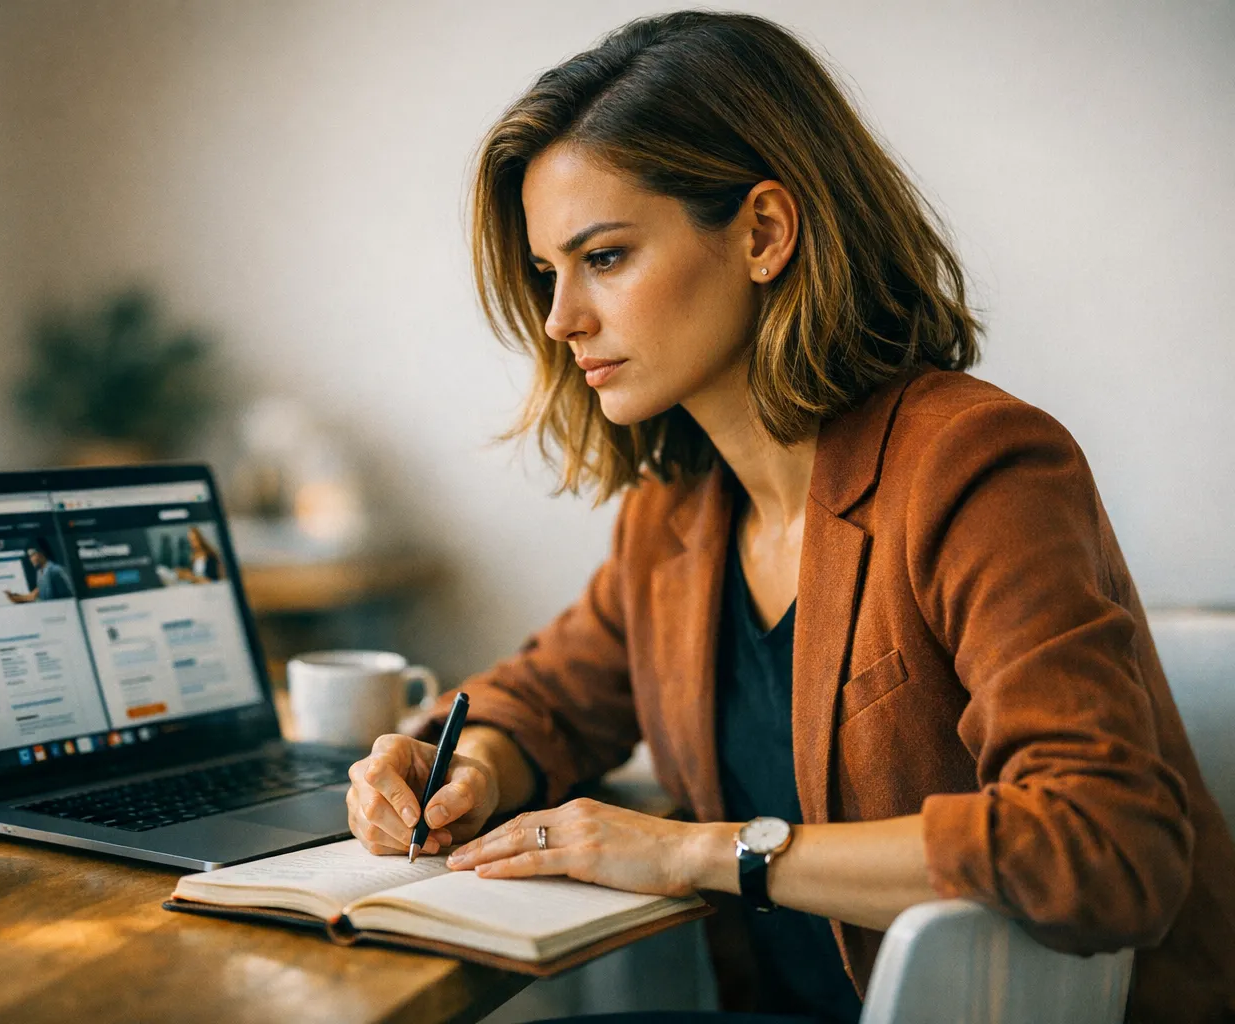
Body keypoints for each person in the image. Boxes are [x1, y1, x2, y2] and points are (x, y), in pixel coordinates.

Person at [342, 11, 1235, 1023]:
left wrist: (699, 852)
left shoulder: (977, 466)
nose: (560, 320)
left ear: (764, 233)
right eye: (550, 272)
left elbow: (1105, 844)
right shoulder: (675, 520)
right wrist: (465, 767)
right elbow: (548, 699)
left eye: (607, 257)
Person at [4, 536, 74, 603]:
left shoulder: (55, 571)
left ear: (42, 552)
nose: (31, 559)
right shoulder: (40, 572)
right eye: (29, 556)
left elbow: (68, 598)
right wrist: (15, 597)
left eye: (32, 555)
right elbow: (33, 596)